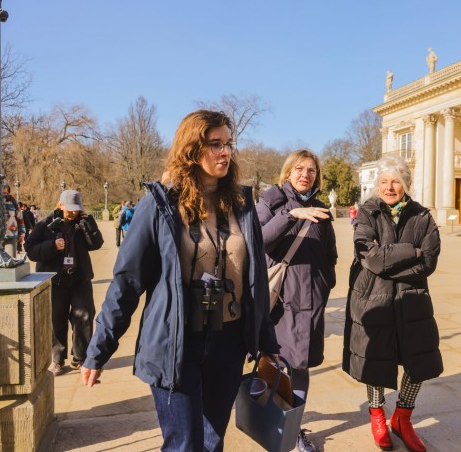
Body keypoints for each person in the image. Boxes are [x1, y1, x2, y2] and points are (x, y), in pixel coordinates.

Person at [81, 110, 280, 452]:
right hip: (176, 342)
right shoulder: (159, 206)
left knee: (213, 441)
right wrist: (98, 350)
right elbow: (126, 283)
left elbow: (257, 282)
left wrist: (267, 341)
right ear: (191, 149)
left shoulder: (242, 205)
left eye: (228, 144)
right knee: (184, 444)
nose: (225, 152)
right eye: (215, 144)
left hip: (229, 341)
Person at [343, 155, 442, 452]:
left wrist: (388, 260)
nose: (389, 187)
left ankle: (402, 417)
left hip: (413, 299)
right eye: (384, 181)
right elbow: (370, 257)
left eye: (396, 181)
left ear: (406, 184)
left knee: (419, 360)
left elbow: (428, 262)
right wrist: (411, 251)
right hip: (373, 297)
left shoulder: (422, 216)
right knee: (376, 359)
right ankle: (377, 416)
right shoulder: (367, 212)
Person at [256, 149, 337, 452]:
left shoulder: (322, 210)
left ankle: (292, 430)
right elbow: (257, 240)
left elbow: (330, 254)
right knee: (273, 363)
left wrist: (324, 283)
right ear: (288, 172)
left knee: (300, 367)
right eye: (299, 169)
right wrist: (290, 215)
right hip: (277, 302)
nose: (305, 175)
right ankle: (268, 422)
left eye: (311, 171)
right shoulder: (271, 201)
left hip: (309, 302)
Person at [25, 190, 104, 376]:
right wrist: (52, 246)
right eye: (70, 209)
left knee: (84, 317)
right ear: (60, 205)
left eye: (77, 209)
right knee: (56, 321)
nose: (73, 213)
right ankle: (58, 360)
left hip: (80, 279)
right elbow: (30, 249)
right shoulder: (45, 224)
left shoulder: (82, 222)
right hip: (56, 281)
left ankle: (80, 357)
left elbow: (96, 243)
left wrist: (89, 223)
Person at [3, 184, 22, 257]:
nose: (4, 195)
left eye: (6, 193)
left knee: (11, 259)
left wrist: (22, 233)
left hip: (11, 234)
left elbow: (20, 218)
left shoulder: (14, 202)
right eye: (2, 193)